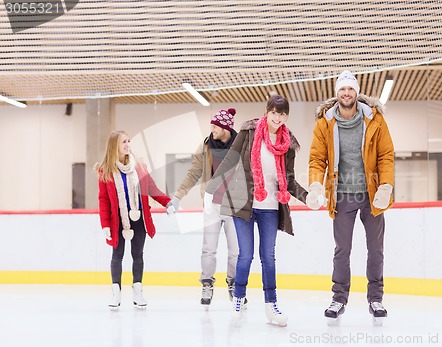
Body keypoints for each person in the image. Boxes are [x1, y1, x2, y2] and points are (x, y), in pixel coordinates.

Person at [205, 95, 308, 326]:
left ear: (286, 116)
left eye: (282, 114)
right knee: (245, 255)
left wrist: (307, 197)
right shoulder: (249, 132)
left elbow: (289, 180)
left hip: (271, 207)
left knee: (268, 257)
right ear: (267, 111)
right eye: (274, 112)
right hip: (244, 204)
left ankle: (271, 306)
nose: (278, 117)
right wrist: (212, 189)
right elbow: (230, 160)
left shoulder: (287, 143)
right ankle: (238, 298)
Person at [307, 70, 395, 322]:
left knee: (375, 249)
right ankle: (338, 299)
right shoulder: (325, 123)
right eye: (342, 89)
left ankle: (375, 298)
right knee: (342, 250)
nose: (346, 93)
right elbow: (316, 158)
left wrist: (385, 186)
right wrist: (315, 185)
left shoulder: (374, 120)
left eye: (350, 89)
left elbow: (386, 156)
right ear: (337, 94)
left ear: (356, 93)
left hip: (371, 194)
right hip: (342, 194)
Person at [167, 108, 239, 308]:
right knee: (208, 249)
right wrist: (178, 196)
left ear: (226, 127)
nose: (212, 129)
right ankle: (207, 284)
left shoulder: (240, 145)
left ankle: (234, 284)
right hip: (211, 206)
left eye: (215, 126)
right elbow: (193, 173)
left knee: (236, 251)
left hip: (235, 206)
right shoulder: (205, 146)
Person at [96, 130, 173, 310]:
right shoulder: (105, 170)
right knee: (117, 255)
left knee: (137, 256)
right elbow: (103, 200)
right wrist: (105, 224)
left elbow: (152, 189)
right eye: (124, 142)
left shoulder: (139, 166)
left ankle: (138, 291)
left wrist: (168, 202)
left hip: (139, 219)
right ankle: (116, 293)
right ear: (114, 145)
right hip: (118, 221)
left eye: (129, 141)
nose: (128, 144)